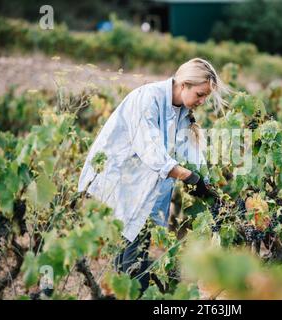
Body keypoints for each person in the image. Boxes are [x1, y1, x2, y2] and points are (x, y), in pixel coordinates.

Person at [77, 57, 229, 293]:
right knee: (132, 264)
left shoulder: (182, 113)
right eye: (200, 94)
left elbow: (191, 153)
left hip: (146, 191)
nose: (202, 101)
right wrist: (190, 178)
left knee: (135, 256)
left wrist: (207, 184)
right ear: (183, 85)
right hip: (122, 186)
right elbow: (151, 152)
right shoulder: (148, 98)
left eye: (206, 97)